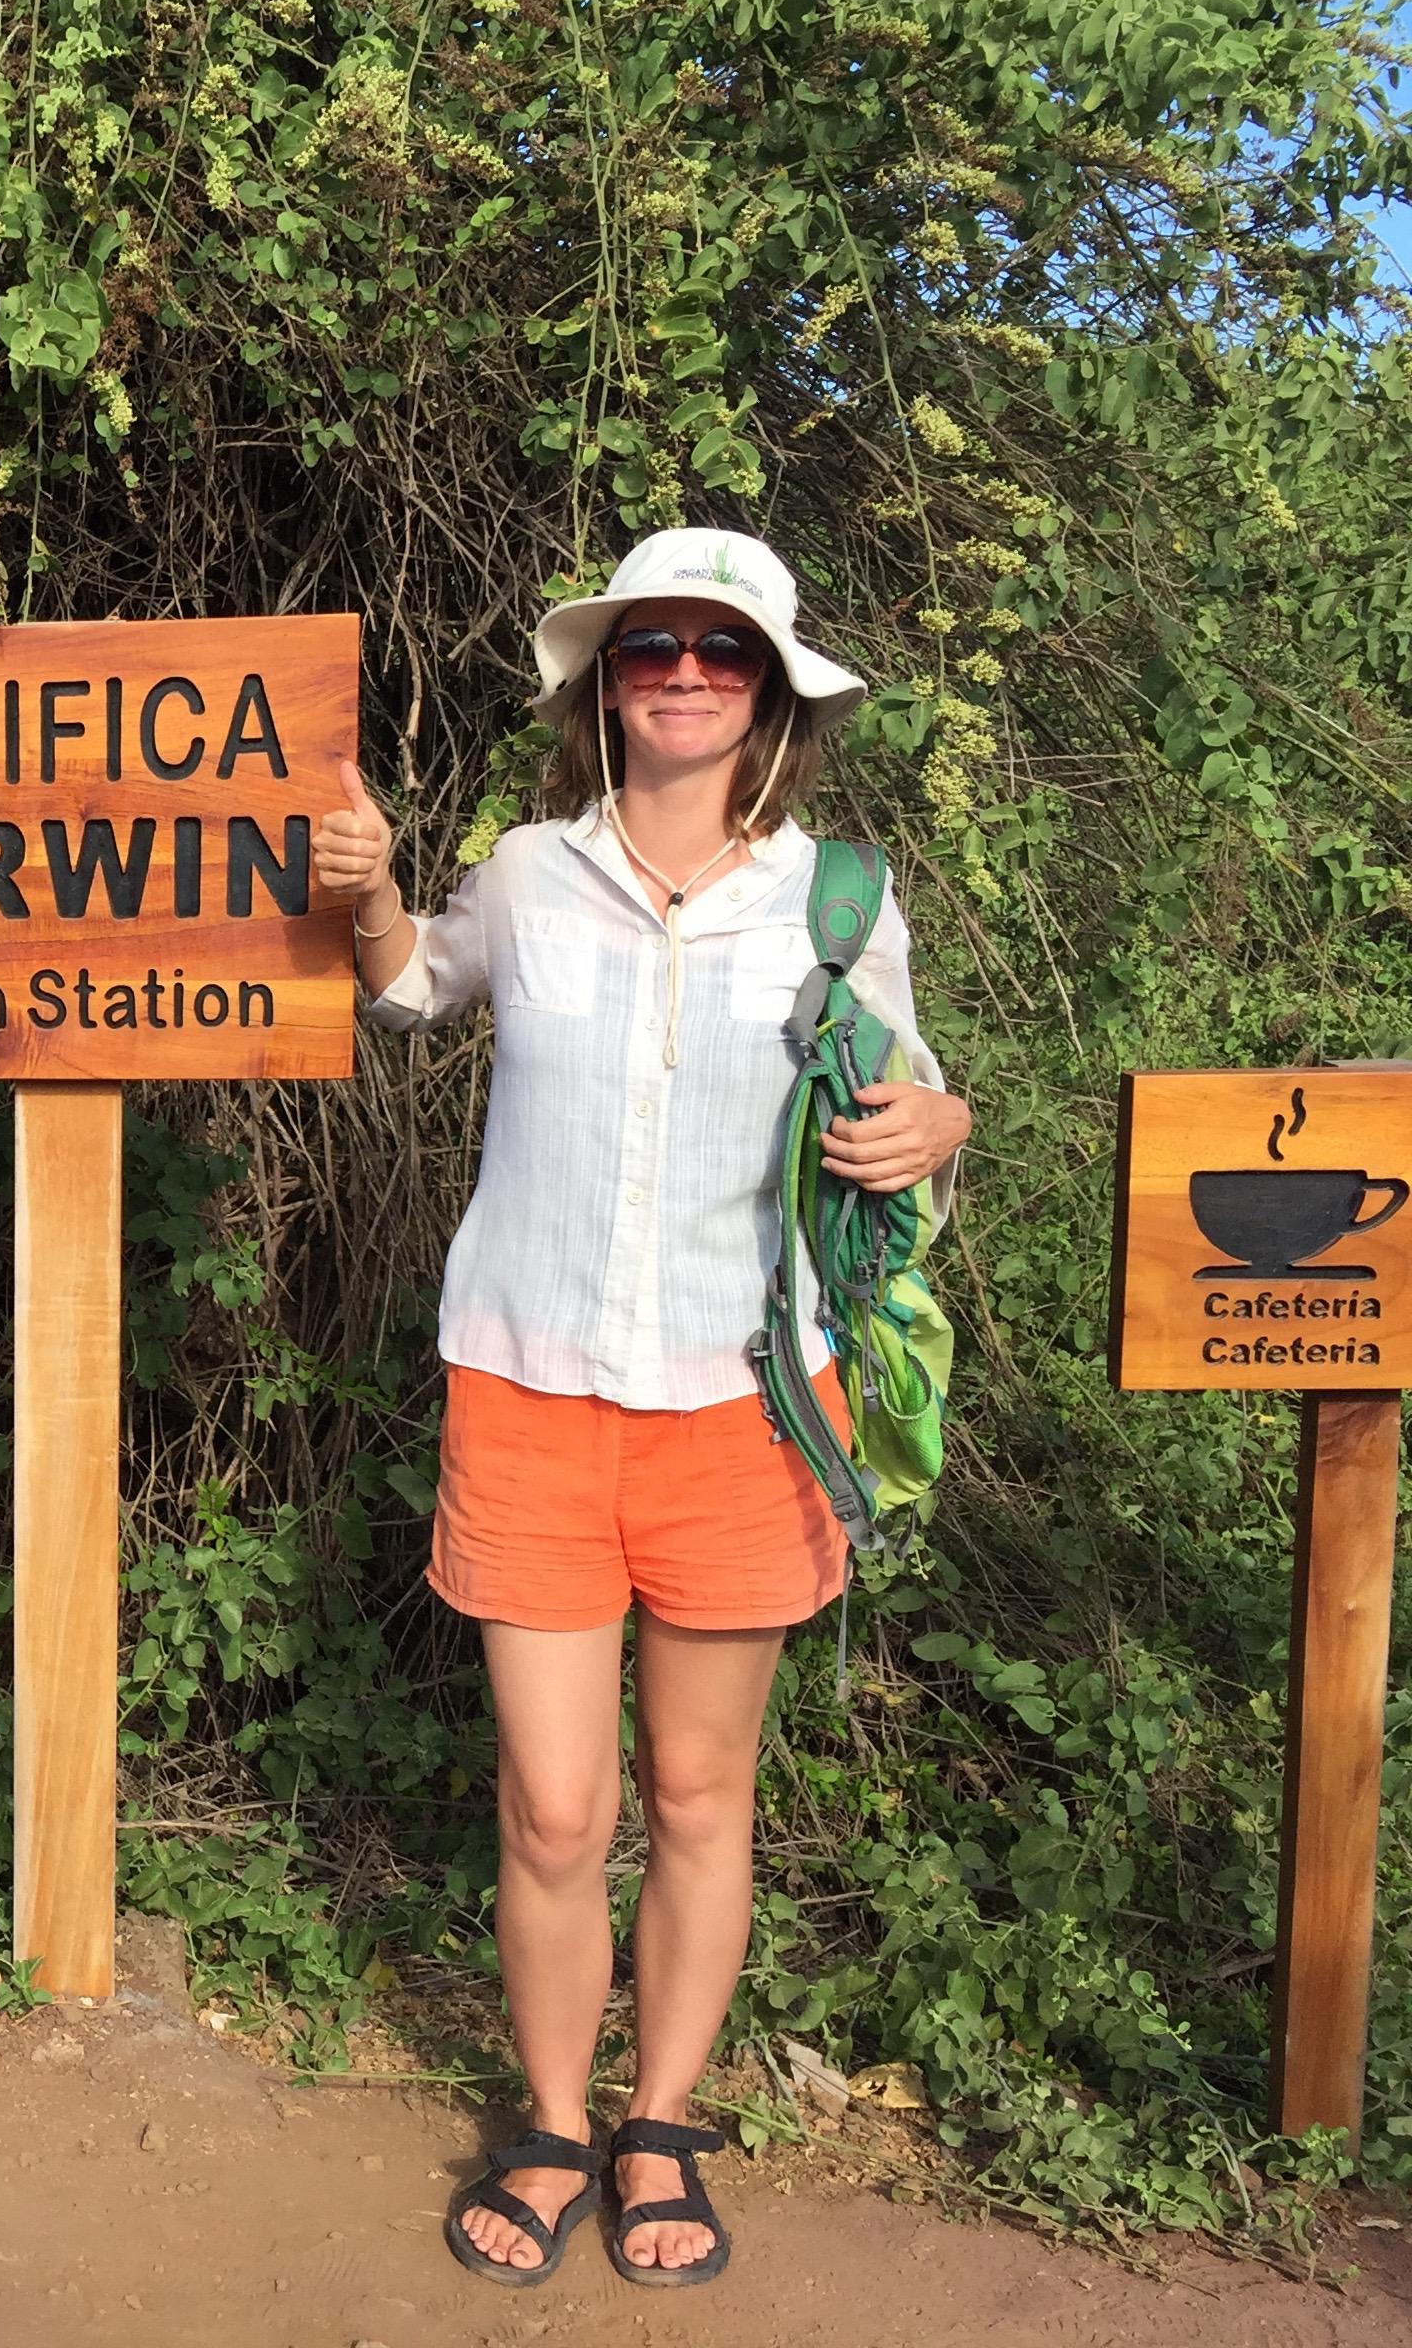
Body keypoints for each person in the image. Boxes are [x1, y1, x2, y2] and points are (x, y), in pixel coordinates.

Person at [312, 529, 972, 2289]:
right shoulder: (528, 874)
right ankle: (548, 2121)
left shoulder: (839, 900)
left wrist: (944, 1129)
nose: (683, 671)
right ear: (606, 678)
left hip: (745, 1404)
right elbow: (400, 985)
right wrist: (371, 882)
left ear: (771, 694)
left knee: (697, 1791)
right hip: (527, 1387)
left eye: (721, 651)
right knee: (552, 1808)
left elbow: (901, 1131)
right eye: (651, 644)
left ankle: (658, 2124)